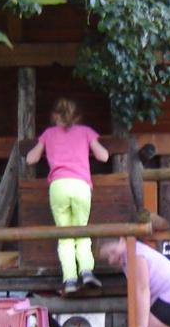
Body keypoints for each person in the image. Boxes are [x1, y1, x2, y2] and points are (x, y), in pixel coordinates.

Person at [26, 98, 110, 295]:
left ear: (54, 116)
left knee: (64, 235)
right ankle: (87, 271)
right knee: (81, 230)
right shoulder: (86, 132)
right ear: (77, 116)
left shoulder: (48, 134)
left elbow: (31, 159)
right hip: (81, 186)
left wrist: (44, 145)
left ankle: (70, 279)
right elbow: (104, 156)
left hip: (58, 186)